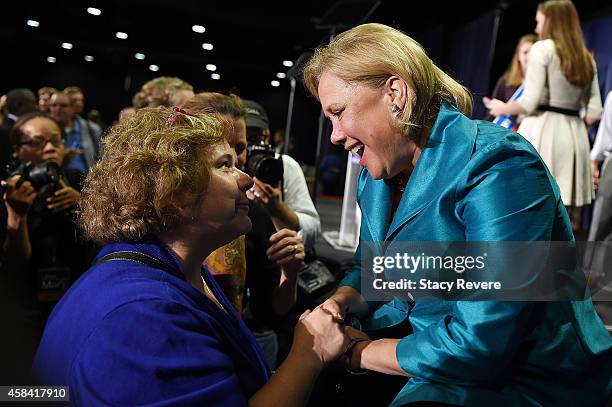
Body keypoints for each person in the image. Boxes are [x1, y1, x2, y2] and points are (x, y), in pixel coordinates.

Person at [303, 22, 612, 406]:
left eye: (339, 112)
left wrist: (357, 354)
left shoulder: (500, 165)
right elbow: (373, 271)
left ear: (395, 93)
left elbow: (484, 340)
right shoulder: (378, 173)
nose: (333, 135)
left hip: (526, 375)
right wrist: (342, 302)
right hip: (424, 347)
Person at [33, 107, 349, 406]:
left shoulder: (176, 270)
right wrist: (310, 353)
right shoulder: (141, 317)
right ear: (176, 192)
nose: (246, 179)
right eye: (225, 165)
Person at [183, 93, 305, 369]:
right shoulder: (165, 222)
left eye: (240, 147)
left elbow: (272, 311)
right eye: (223, 152)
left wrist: (291, 272)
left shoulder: (253, 216)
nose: (238, 160)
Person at [488, 0, 602, 230]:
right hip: (574, 138)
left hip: (543, 132)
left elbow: (530, 102)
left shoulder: (543, 49)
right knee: (562, 219)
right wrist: (572, 123)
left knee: (530, 205)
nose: (537, 28)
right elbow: (595, 111)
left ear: (551, 20)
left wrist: (502, 109)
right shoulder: (586, 58)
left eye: (539, 21)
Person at [1, 112, 94, 382]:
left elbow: (99, 241)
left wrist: (84, 206)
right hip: (24, 307)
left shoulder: (78, 180)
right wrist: (16, 215)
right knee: (22, 388)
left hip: (73, 298)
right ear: (18, 150)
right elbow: (15, 263)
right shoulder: (11, 190)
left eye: (55, 140)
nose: (51, 148)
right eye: (38, 142)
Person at [243, 100, 321, 246]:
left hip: (277, 260)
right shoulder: (224, 168)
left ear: (266, 136)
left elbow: (313, 230)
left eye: (255, 138)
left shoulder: (283, 165)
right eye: (241, 142)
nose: (248, 148)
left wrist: (277, 208)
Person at [487, 34, 537, 128]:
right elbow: (492, 112)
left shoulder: (542, 83)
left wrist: (504, 108)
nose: (529, 56)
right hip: (507, 134)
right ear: (518, 56)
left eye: (532, 52)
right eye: (525, 52)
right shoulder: (505, 81)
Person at [49, 92, 102, 173]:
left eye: (63, 106)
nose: (58, 109)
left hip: (87, 181)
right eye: (54, 105)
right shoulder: (45, 131)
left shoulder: (92, 129)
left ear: (72, 108)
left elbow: (101, 157)